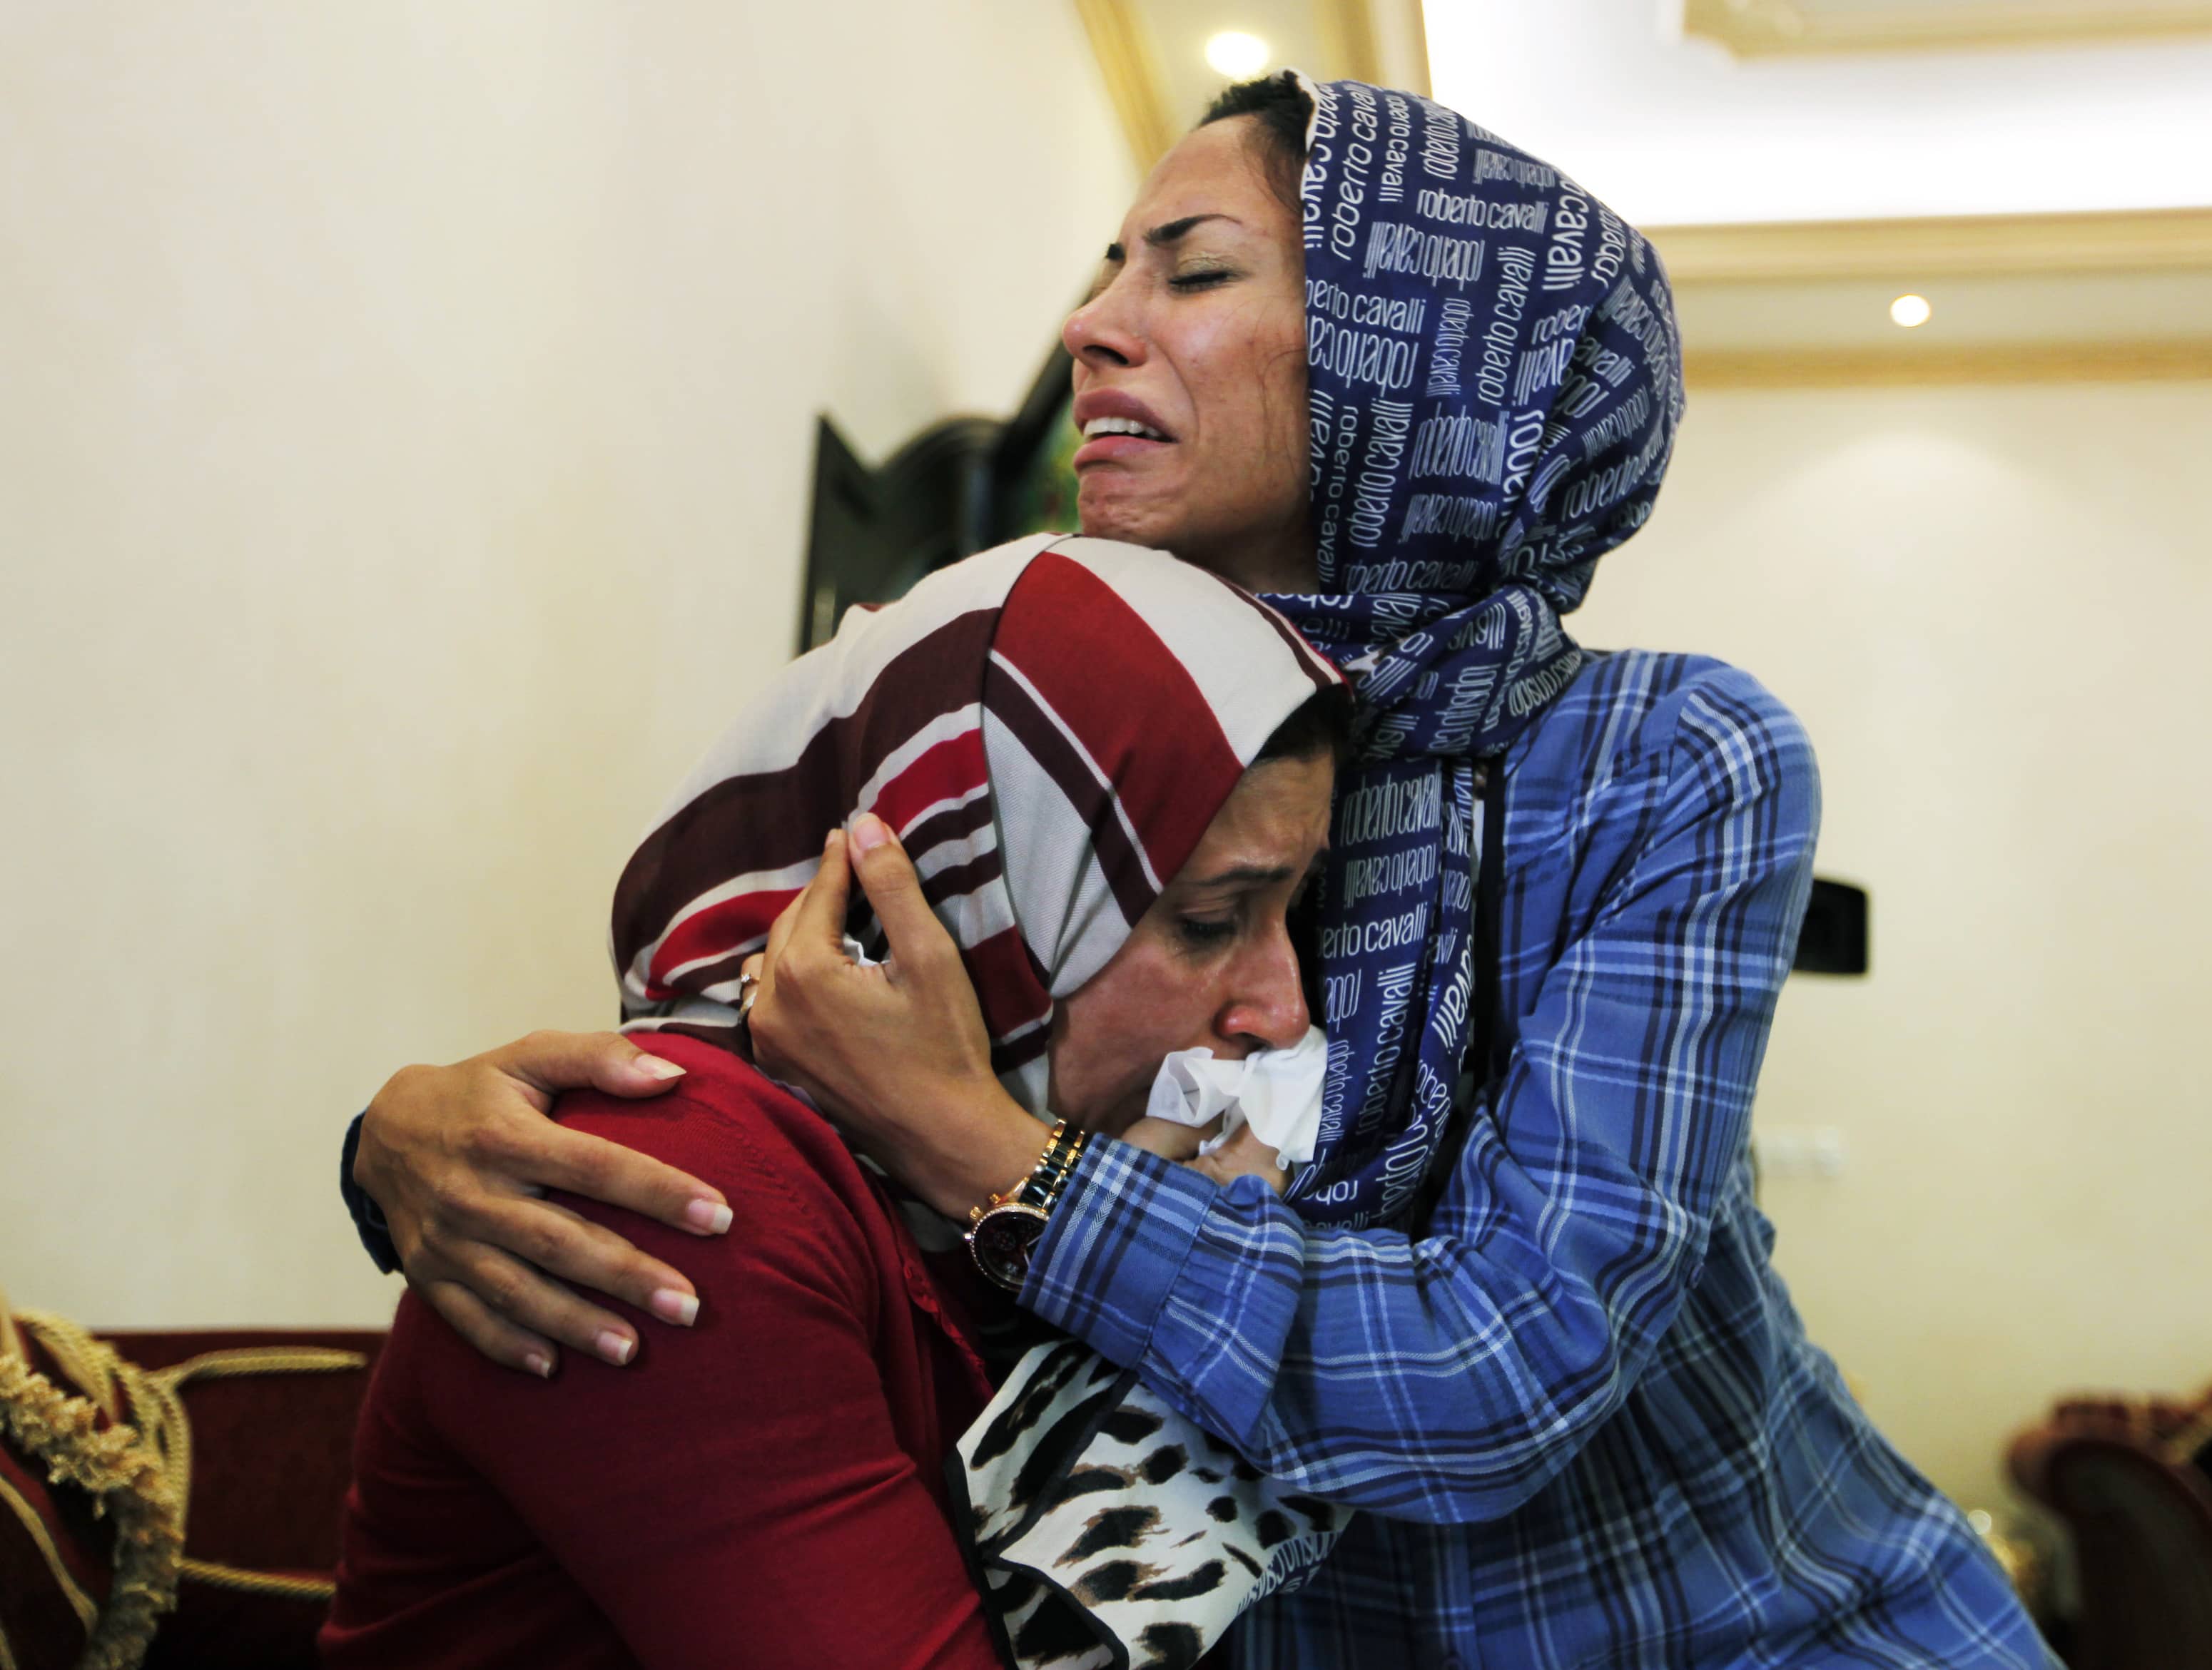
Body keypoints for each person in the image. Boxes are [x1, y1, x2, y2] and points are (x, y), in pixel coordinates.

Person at [343, 75, 2058, 1668]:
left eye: (1195, 269)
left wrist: (994, 1152)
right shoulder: (1061, 708)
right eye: (1105, 267)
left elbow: (1496, 1371)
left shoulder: (1661, 758)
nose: (1093, 326)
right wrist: (407, 1137)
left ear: (1415, 351)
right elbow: (780, 1026)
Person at [320, 535, 1345, 1669]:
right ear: (967, 896)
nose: (1284, 1008)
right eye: (1212, 918)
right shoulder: (679, 1187)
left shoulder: (959, 1207)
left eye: (1291, 914)